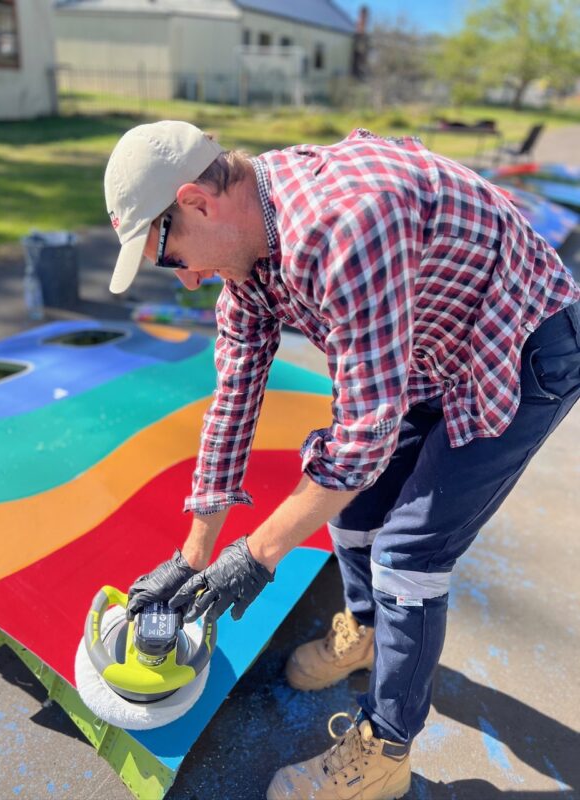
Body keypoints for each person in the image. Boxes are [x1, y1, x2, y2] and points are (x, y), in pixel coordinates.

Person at [104, 120, 580, 800]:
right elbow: (233, 401)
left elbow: (363, 437)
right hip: (434, 342)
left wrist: (258, 553)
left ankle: (385, 753)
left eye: (168, 256)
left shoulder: (341, 223)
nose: (184, 281)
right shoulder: (248, 254)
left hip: (522, 337)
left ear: (198, 202)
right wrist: (195, 554)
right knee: (353, 508)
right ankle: (364, 631)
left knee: (409, 557)